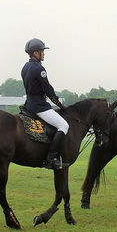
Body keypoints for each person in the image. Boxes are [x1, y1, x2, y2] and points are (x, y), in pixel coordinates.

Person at [21, 38, 69, 170]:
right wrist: (58, 104)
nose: (44, 54)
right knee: (63, 125)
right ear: (35, 53)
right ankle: (51, 159)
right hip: (39, 106)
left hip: (29, 104)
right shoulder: (39, 68)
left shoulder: (25, 67)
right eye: (42, 51)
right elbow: (48, 89)